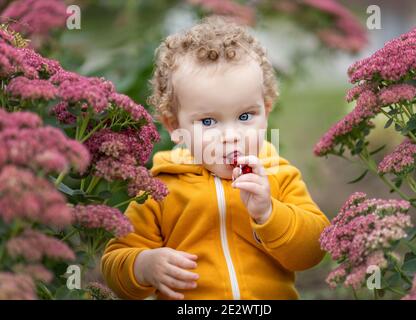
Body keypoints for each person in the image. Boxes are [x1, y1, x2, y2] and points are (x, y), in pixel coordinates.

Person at [101, 15, 330, 300]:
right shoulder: (159, 189)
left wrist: (269, 214)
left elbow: (313, 250)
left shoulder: (279, 176)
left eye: (245, 116)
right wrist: (143, 265)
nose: (231, 135)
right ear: (174, 126)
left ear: (266, 111)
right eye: (209, 122)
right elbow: (113, 264)